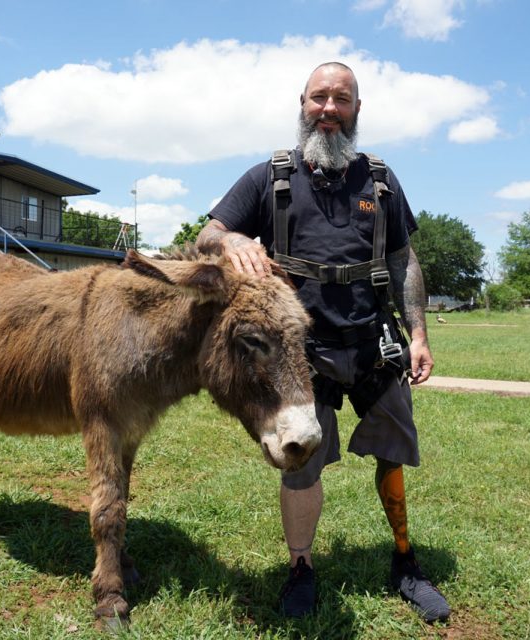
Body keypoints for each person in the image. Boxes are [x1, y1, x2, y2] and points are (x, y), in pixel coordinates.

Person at [196, 61, 450, 624]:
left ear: (358, 109)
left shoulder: (380, 180)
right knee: (301, 463)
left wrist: (419, 334)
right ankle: (301, 568)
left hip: (373, 342)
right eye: (319, 98)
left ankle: (405, 561)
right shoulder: (271, 177)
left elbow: (403, 260)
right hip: (299, 356)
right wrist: (233, 238)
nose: (329, 109)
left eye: (342, 99)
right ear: (303, 104)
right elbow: (207, 234)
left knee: (393, 448)